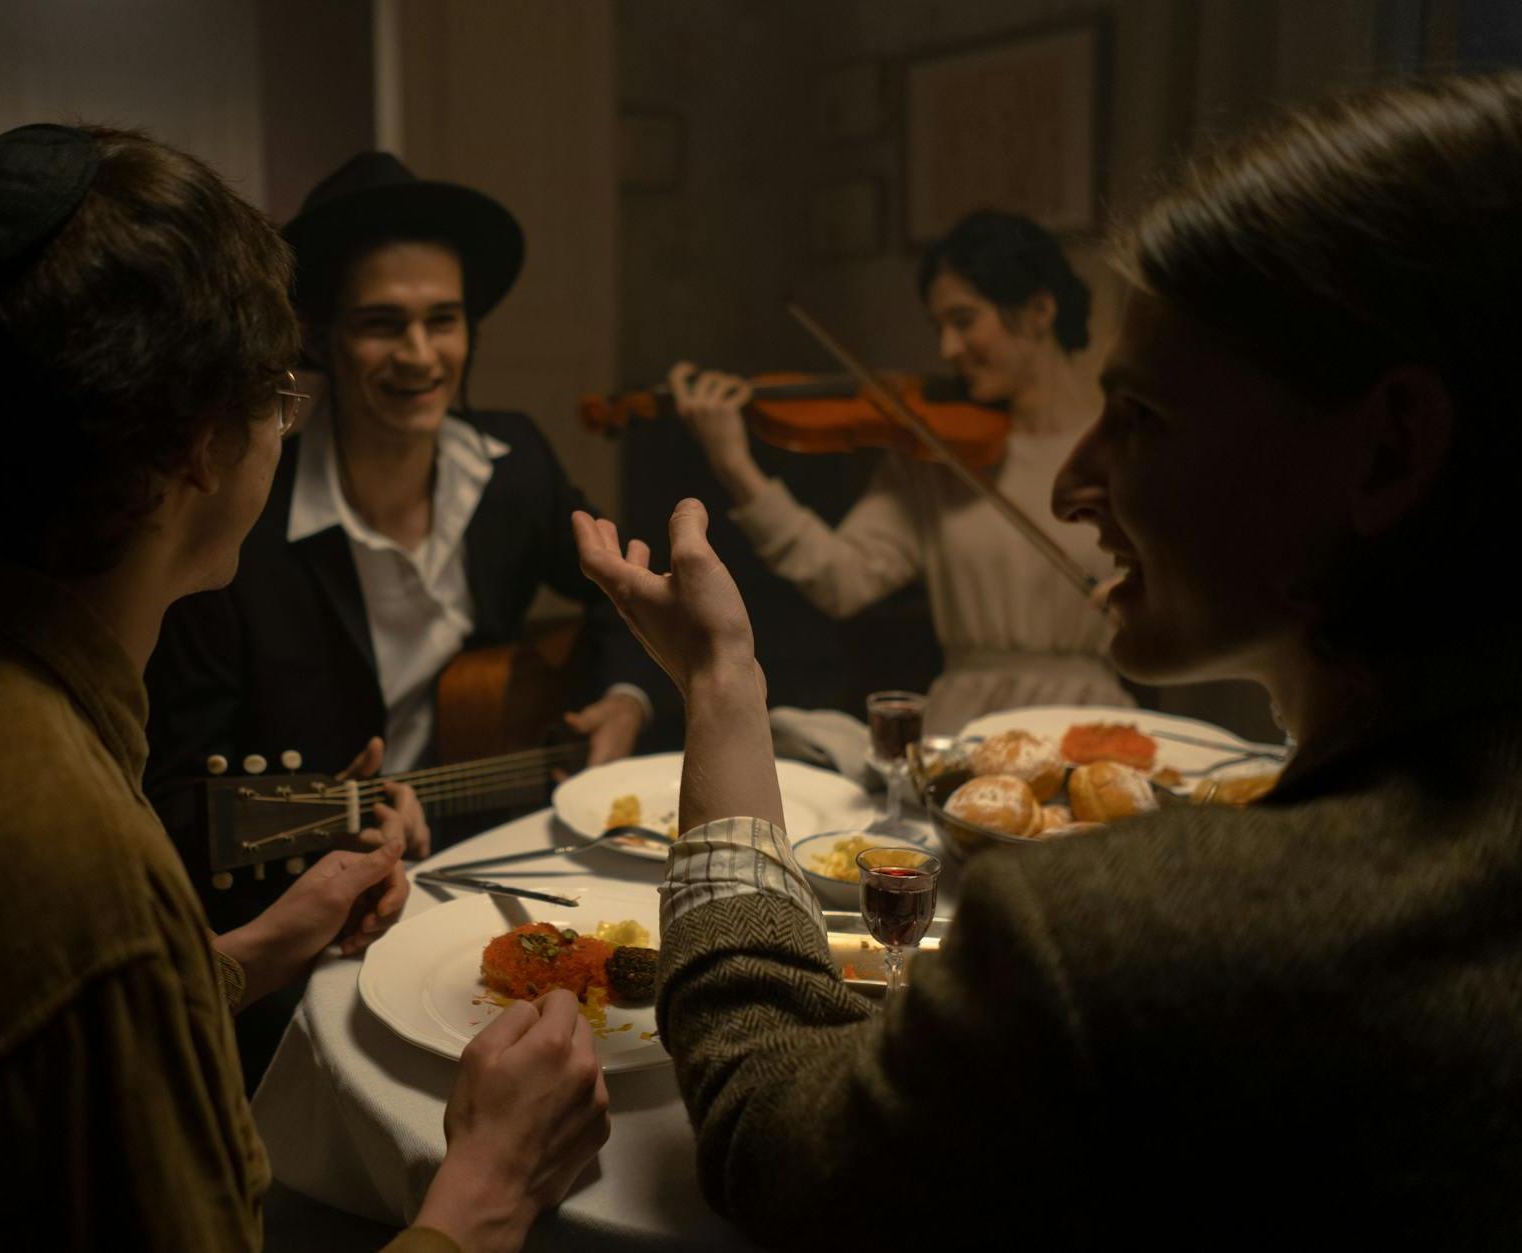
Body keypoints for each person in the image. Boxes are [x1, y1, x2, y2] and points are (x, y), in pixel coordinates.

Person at [573, 74, 1522, 1247]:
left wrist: (722, 687)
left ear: (1387, 451)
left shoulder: (1110, 932)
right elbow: (840, 570)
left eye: (1142, 417)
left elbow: (779, 1147)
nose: (1075, 488)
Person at [0, 124, 607, 1253]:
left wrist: (239, 955)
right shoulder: (77, 872)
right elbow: (68, 954)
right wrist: (485, 1186)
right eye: (276, 394)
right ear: (201, 444)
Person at [143, 151, 658, 1075]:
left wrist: (622, 695)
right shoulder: (244, 522)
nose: (421, 357)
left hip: (495, 857)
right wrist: (339, 830)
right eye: (384, 325)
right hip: (323, 909)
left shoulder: (513, 466)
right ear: (323, 336)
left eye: (443, 321)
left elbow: (622, 595)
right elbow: (177, 797)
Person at [668, 211, 1126, 733]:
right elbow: (842, 580)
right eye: (939, 327)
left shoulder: (1124, 449)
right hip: (966, 730)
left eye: (963, 320)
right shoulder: (934, 453)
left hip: (1096, 727)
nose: (947, 349)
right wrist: (736, 466)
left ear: (1040, 310)